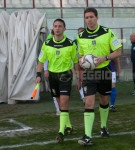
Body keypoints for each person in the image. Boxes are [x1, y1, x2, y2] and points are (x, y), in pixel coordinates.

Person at [77, 7, 122, 146]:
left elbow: (118, 51)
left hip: (104, 71)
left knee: (104, 101)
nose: (89, 20)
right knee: (89, 102)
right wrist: (82, 62)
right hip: (90, 74)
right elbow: (80, 56)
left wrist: (105, 57)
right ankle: (88, 136)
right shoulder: (81, 36)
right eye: (87, 18)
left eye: (91, 17)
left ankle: (103, 127)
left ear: (97, 17)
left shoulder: (107, 32)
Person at [35, 18, 80, 143]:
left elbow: (76, 62)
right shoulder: (47, 44)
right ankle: (69, 126)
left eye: (60, 26)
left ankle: (61, 132)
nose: (57, 28)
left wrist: (78, 77)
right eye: (55, 26)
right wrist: (38, 74)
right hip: (53, 77)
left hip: (65, 75)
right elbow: (41, 61)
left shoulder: (71, 44)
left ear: (64, 29)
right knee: (61, 105)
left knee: (64, 102)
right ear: (53, 28)